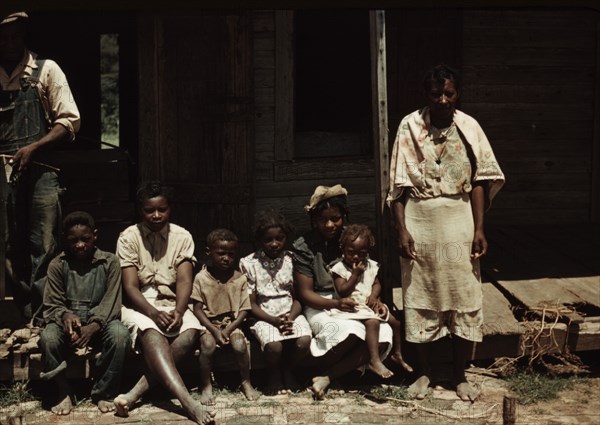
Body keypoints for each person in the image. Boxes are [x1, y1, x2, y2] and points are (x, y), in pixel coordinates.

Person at [387, 64, 505, 401]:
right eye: (436, 94)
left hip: (459, 217)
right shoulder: (409, 126)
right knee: (422, 295)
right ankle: (423, 373)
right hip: (420, 218)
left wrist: (479, 228)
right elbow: (398, 186)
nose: (442, 100)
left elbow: (482, 178)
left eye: (448, 93)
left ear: (457, 94)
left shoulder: (469, 127)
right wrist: (402, 229)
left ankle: (459, 375)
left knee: (463, 294)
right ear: (426, 95)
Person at [0, 11, 80, 321]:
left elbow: (69, 121)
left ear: (23, 36)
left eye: (15, 36)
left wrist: (34, 147)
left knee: (45, 243)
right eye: (3, 37)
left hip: (42, 168)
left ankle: (46, 313)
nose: (9, 43)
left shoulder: (46, 70)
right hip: (3, 173)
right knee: (9, 243)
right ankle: (25, 310)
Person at [113, 181, 215, 425]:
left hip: (174, 301)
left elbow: (184, 281)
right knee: (151, 333)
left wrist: (179, 311)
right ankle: (188, 404)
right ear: (141, 210)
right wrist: (153, 312)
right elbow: (129, 286)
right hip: (141, 304)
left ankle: (135, 393)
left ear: (170, 209)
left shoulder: (182, 236)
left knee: (190, 331)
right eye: (150, 210)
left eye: (162, 209)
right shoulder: (128, 237)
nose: (156, 215)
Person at [292, 184, 393, 400]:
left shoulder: (352, 241)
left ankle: (327, 377)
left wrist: (376, 299)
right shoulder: (305, 246)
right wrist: (336, 304)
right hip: (322, 302)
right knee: (345, 331)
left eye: (335, 218)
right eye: (323, 220)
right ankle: (323, 372)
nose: (330, 224)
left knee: (384, 335)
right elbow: (305, 293)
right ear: (314, 220)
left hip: (355, 301)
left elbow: (369, 278)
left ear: (343, 217)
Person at [38, 211, 130, 415]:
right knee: (48, 338)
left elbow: (112, 301)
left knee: (120, 336)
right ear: (66, 241)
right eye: (73, 240)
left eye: (85, 239)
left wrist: (94, 326)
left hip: (101, 323)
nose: (80, 245)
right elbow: (52, 303)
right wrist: (64, 315)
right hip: (67, 325)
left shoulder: (110, 262)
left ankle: (104, 392)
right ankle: (62, 390)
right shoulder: (57, 265)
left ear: (95, 235)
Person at [239, 209, 312, 395]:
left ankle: (288, 369)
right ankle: (274, 373)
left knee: (303, 340)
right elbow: (251, 304)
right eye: (268, 240)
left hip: (291, 313)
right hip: (263, 315)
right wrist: (274, 321)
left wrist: (291, 317)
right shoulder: (249, 263)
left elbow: (298, 298)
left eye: (279, 238)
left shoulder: (292, 259)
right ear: (259, 240)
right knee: (274, 346)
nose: (274, 244)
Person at [330, 224, 413, 379]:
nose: (356, 257)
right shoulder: (339, 268)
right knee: (373, 323)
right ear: (342, 248)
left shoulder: (369, 265)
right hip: (351, 306)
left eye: (361, 253)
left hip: (368, 305)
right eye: (351, 252)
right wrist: (355, 275)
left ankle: (397, 354)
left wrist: (375, 297)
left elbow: (376, 283)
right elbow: (342, 291)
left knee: (396, 322)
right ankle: (374, 360)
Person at [191, 228, 260, 405]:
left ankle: (246, 381)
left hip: (232, 323)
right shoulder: (201, 278)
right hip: (209, 324)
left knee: (239, 345)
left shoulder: (239, 279)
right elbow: (197, 308)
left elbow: (245, 309)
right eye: (220, 253)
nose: (226, 258)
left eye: (231, 254)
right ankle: (206, 385)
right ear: (209, 252)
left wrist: (229, 329)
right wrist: (214, 330)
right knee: (207, 345)